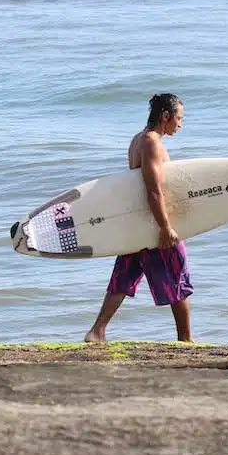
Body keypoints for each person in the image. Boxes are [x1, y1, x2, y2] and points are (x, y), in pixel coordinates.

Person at [85, 93, 193, 344]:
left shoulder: (137, 140)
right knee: (177, 275)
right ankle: (185, 339)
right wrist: (165, 227)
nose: (180, 124)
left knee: (124, 277)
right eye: (179, 118)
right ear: (165, 116)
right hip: (153, 224)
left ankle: (97, 331)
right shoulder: (152, 143)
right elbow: (153, 190)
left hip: (137, 223)